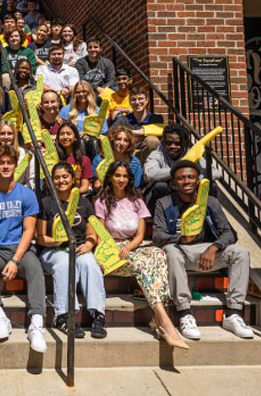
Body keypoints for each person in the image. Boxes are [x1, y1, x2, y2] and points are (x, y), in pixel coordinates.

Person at [153, 160, 253, 340]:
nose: (187, 181)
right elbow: (158, 236)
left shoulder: (210, 202)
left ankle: (233, 313)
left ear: (198, 180)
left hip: (208, 252)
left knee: (240, 252)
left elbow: (229, 233)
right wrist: (181, 239)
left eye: (191, 177)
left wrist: (214, 247)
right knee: (170, 250)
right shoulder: (164, 202)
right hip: (181, 252)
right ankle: (185, 312)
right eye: (181, 178)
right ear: (173, 182)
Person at [95, 161, 188, 348]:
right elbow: (100, 235)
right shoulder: (101, 201)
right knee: (145, 265)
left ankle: (157, 317)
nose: (121, 179)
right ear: (110, 177)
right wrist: (109, 254)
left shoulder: (136, 200)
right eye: (117, 175)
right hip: (112, 251)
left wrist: (129, 247)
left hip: (131, 247)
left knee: (158, 254)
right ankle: (164, 320)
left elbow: (140, 235)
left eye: (125, 176)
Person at [0, 145, 47, 352]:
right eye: (1, 163)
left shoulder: (26, 194)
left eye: (9, 163)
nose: (5, 166)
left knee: (35, 267)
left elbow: (29, 231)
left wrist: (15, 260)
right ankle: (0, 317)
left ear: (15, 166)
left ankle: (36, 324)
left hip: (20, 249)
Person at [37, 162, 106, 339]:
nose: (61, 180)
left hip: (79, 248)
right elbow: (40, 237)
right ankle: (64, 316)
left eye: (65, 176)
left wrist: (89, 244)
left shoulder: (84, 202)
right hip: (53, 251)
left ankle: (98, 315)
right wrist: (58, 240)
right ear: (51, 181)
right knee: (64, 263)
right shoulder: (46, 203)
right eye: (56, 178)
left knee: (90, 264)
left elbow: (91, 233)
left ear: (72, 178)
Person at [116, 86, 164, 164]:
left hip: (150, 157)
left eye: (140, 99)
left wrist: (133, 133)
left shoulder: (156, 118)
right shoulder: (124, 119)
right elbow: (111, 133)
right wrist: (144, 135)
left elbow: (161, 133)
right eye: (133, 99)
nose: (137, 102)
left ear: (147, 100)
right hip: (128, 154)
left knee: (152, 140)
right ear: (129, 102)